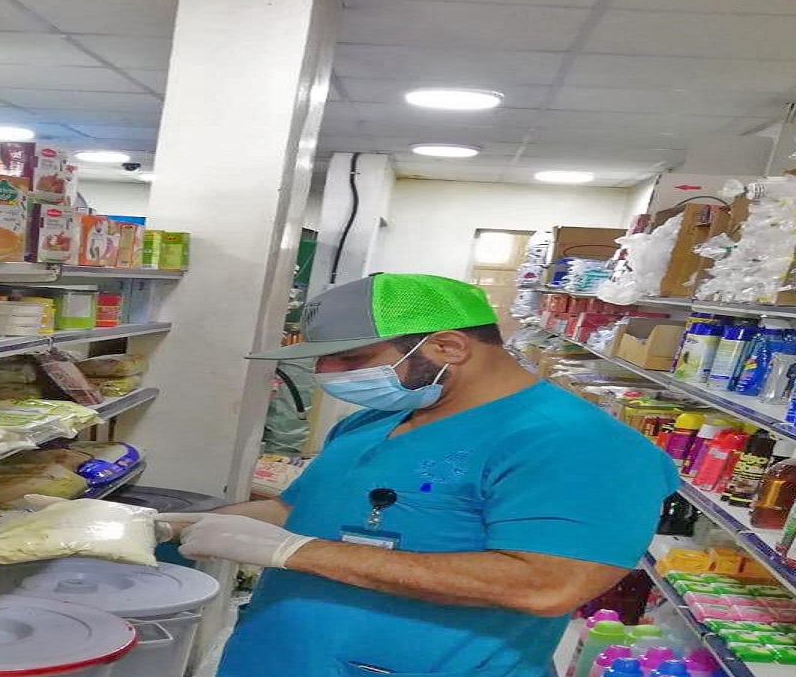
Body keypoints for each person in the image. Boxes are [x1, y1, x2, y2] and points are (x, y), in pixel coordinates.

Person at [160, 273, 679, 677]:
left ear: (449, 347)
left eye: (351, 359)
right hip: (277, 656)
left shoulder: (578, 444)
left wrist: (296, 551)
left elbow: (547, 585)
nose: (326, 376)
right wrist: (171, 524)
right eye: (322, 361)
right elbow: (298, 509)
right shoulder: (373, 422)